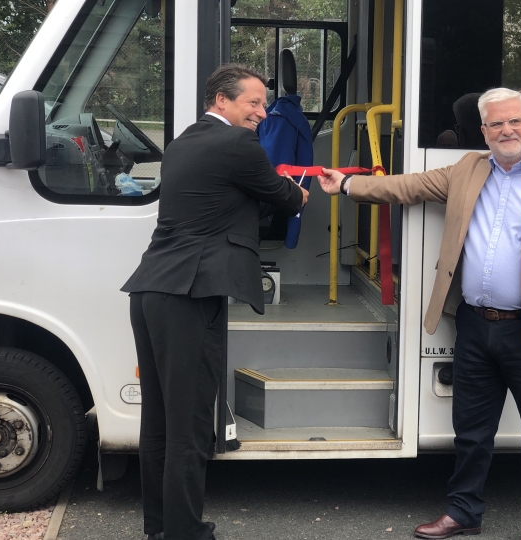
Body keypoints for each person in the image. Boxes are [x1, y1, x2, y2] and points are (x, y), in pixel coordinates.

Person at [318, 87, 521, 540]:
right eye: (495, 124)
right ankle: (464, 512)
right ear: (483, 130)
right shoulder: (468, 169)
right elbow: (407, 186)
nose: (506, 130)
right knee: (470, 432)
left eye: (514, 121)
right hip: (473, 324)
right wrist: (349, 184)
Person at [122, 64, 308, 540]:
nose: (262, 113)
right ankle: (184, 532)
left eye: (263, 104)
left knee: (159, 421)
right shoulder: (237, 144)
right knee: (190, 422)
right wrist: (304, 192)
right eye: (254, 103)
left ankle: (161, 527)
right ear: (221, 101)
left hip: (150, 290)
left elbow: (226, 197)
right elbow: (283, 197)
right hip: (191, 293)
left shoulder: (183, 141)